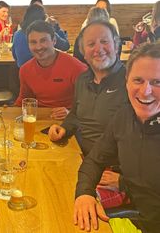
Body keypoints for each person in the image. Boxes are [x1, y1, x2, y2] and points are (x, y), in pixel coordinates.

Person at [74, 42, 160, 233]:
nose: (145, 91)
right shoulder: (124, 116)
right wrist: (84, 194)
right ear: (126, 81)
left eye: (157, 82)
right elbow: (95, 160)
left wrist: (122, 183)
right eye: (138, 80)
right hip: (136, 221)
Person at [49, 21, 128, 155]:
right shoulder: (82, 79)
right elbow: (75, 114)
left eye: (104, 41)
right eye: (91, 44)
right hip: (81, 156)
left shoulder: (132, 82)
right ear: (84, 53)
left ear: (116, 46)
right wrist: (64, 128)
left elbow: (146, 138)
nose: (98, 49)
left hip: (114, 167)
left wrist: (123, 174)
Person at [15, 20, 87, 120]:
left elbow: (92, 104)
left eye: (43, 40)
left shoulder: (77, 68)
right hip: (39, 119)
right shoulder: (25, 70)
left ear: (54, 41)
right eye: (33, 42)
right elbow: (24, 100)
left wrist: (71, 113)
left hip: (68, 122)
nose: (38, 47)